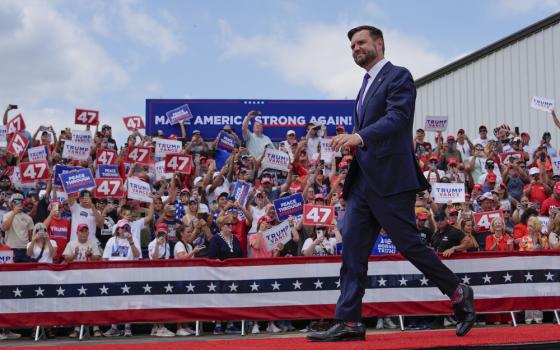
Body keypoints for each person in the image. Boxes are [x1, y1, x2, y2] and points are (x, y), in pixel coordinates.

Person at [308, 25, 475, 342]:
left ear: (379, 44)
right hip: (362, 183)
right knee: (353, 252)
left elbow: (398, 118)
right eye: (352, 45)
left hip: (391, 181)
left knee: (409, 245)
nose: (356, 48)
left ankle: (457, 290)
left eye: (361, 42)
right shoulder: (364, 85)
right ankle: (350, 321)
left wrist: (357, 137)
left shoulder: (398, 76)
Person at [2, 193, 34, 262]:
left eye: (21, 201)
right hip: (11, 249)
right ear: (12, 203)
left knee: (26, 272)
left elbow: (30, 236)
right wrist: (14, 213)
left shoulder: (28, 218)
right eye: (16, 201)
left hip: (25, 249)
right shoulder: (6, 215)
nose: (19, 203)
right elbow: (5, 228)